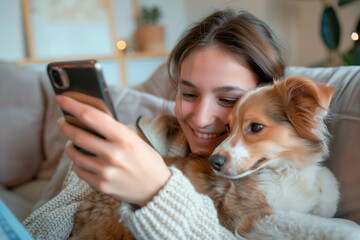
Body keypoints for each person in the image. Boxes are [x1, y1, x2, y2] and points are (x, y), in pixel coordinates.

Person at [24, 9, 285, 239]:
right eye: (189, 94)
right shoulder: (135, 138)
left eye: (229, 100)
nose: (202, 118)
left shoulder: (281, 173)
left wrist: (158, 194)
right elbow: (45, 223)